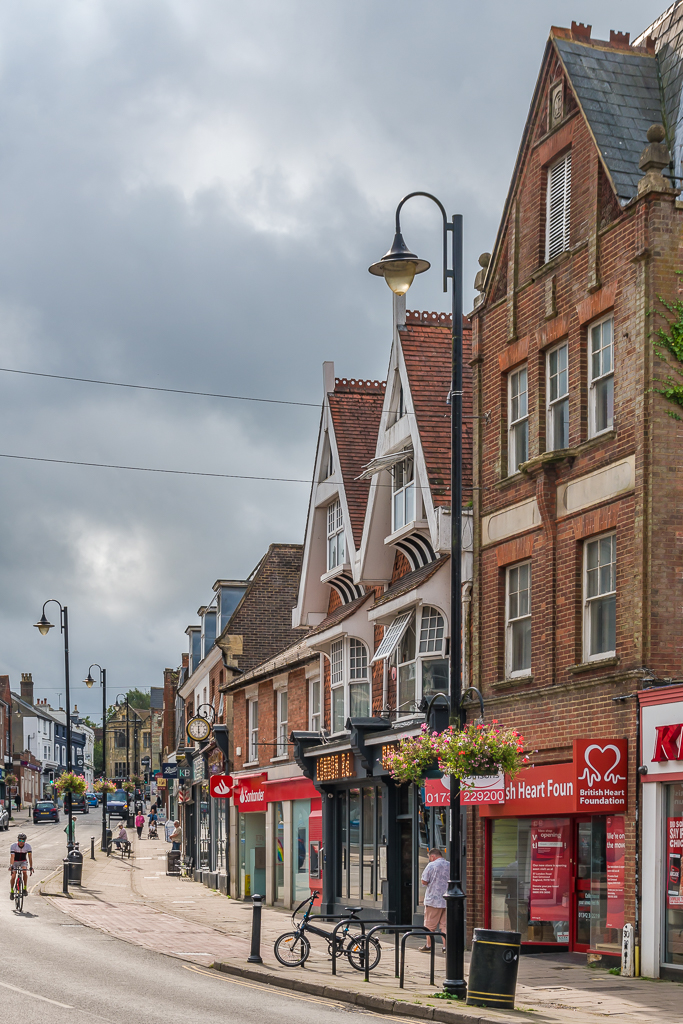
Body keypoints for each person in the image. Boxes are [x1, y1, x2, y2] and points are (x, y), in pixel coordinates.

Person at [420, 847, 449, 952]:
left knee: (429, 925)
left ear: (432, 856)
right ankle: (446, 947)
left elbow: (424, 881)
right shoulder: (449, 865)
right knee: (445, 925)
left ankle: (429, 945)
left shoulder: (431, 865)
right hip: (447, 900)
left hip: (433, 900)